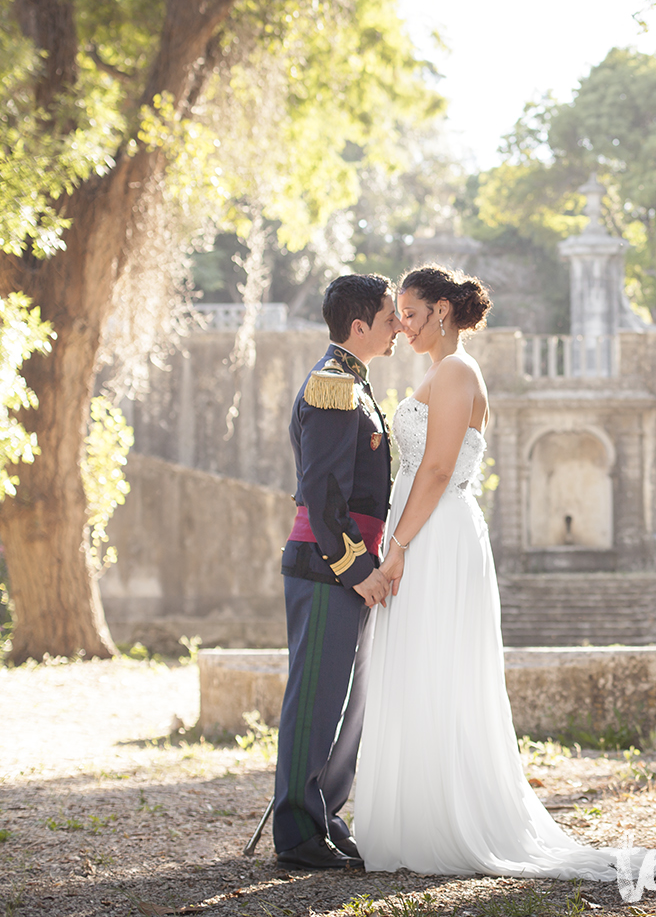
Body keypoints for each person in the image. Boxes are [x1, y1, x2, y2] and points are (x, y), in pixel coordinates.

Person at [353, 264, 618, 880]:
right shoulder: (441, 372)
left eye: (413, 314)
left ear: (442, 310)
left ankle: (445, 820)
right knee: (418, 666)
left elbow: (439, 469)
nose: (405, 326)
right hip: (426, 528)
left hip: (435, 535)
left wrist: (395, 548)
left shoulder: (455, 371)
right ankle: (412, 815)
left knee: (436, 665)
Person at [271, 273, 401, 871]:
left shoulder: (356, 384)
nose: (399, 326)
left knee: (346, 700)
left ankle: (323, 814)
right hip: (329, 567)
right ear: (359, 326)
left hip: (350, 567)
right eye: (389, 317)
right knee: (317, 697)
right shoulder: (331, 386)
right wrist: (357, 569)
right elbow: (322, 493)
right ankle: (297, 831)